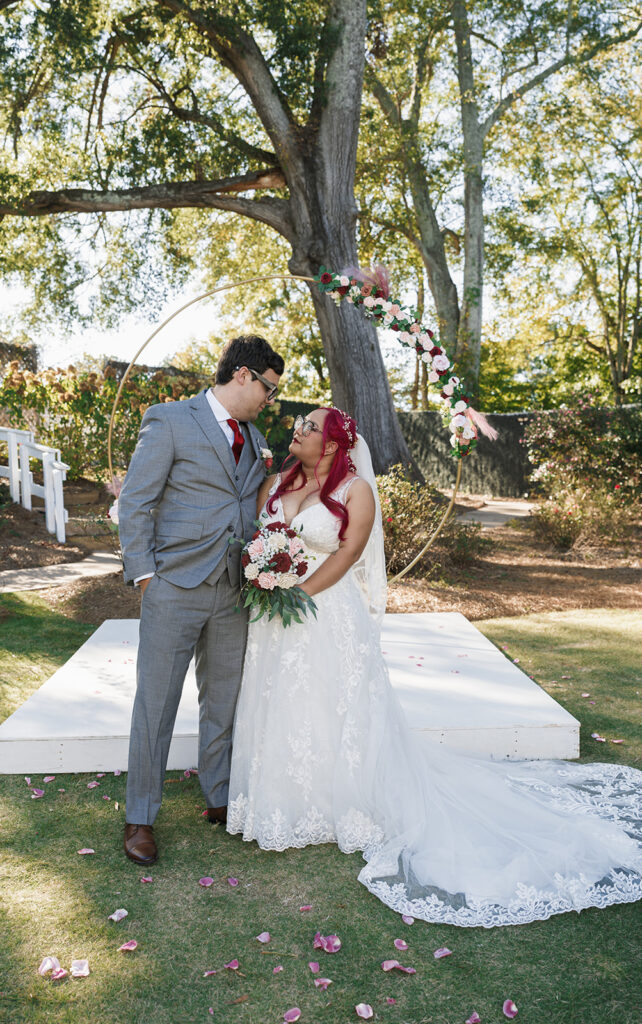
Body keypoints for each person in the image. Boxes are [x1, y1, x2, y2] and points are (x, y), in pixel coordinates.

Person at [227, 406, 642, 927]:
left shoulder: (356, 490)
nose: (299, 430)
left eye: (310, 426)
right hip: (273, 616)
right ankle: (285, 799)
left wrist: (300, 594)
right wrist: (264, 579)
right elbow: (257, 541)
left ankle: (346, 803)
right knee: (281, 701)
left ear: (332, 444)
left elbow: (350, 551)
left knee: (334, 703)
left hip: (322, 610)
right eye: (302, 424)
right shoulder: (272, 483)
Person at [117, 335, 284, 865]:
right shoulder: (168, 420)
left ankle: (218, 797)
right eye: (268, 388)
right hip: (173, 586)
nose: (269, 400)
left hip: (235, 591)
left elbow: (251, 503)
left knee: (224, 700)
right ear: (242, 374)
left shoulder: (257, 438)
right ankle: (140, 816)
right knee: (156, 703)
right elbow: (136, 502)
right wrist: (146, 577)